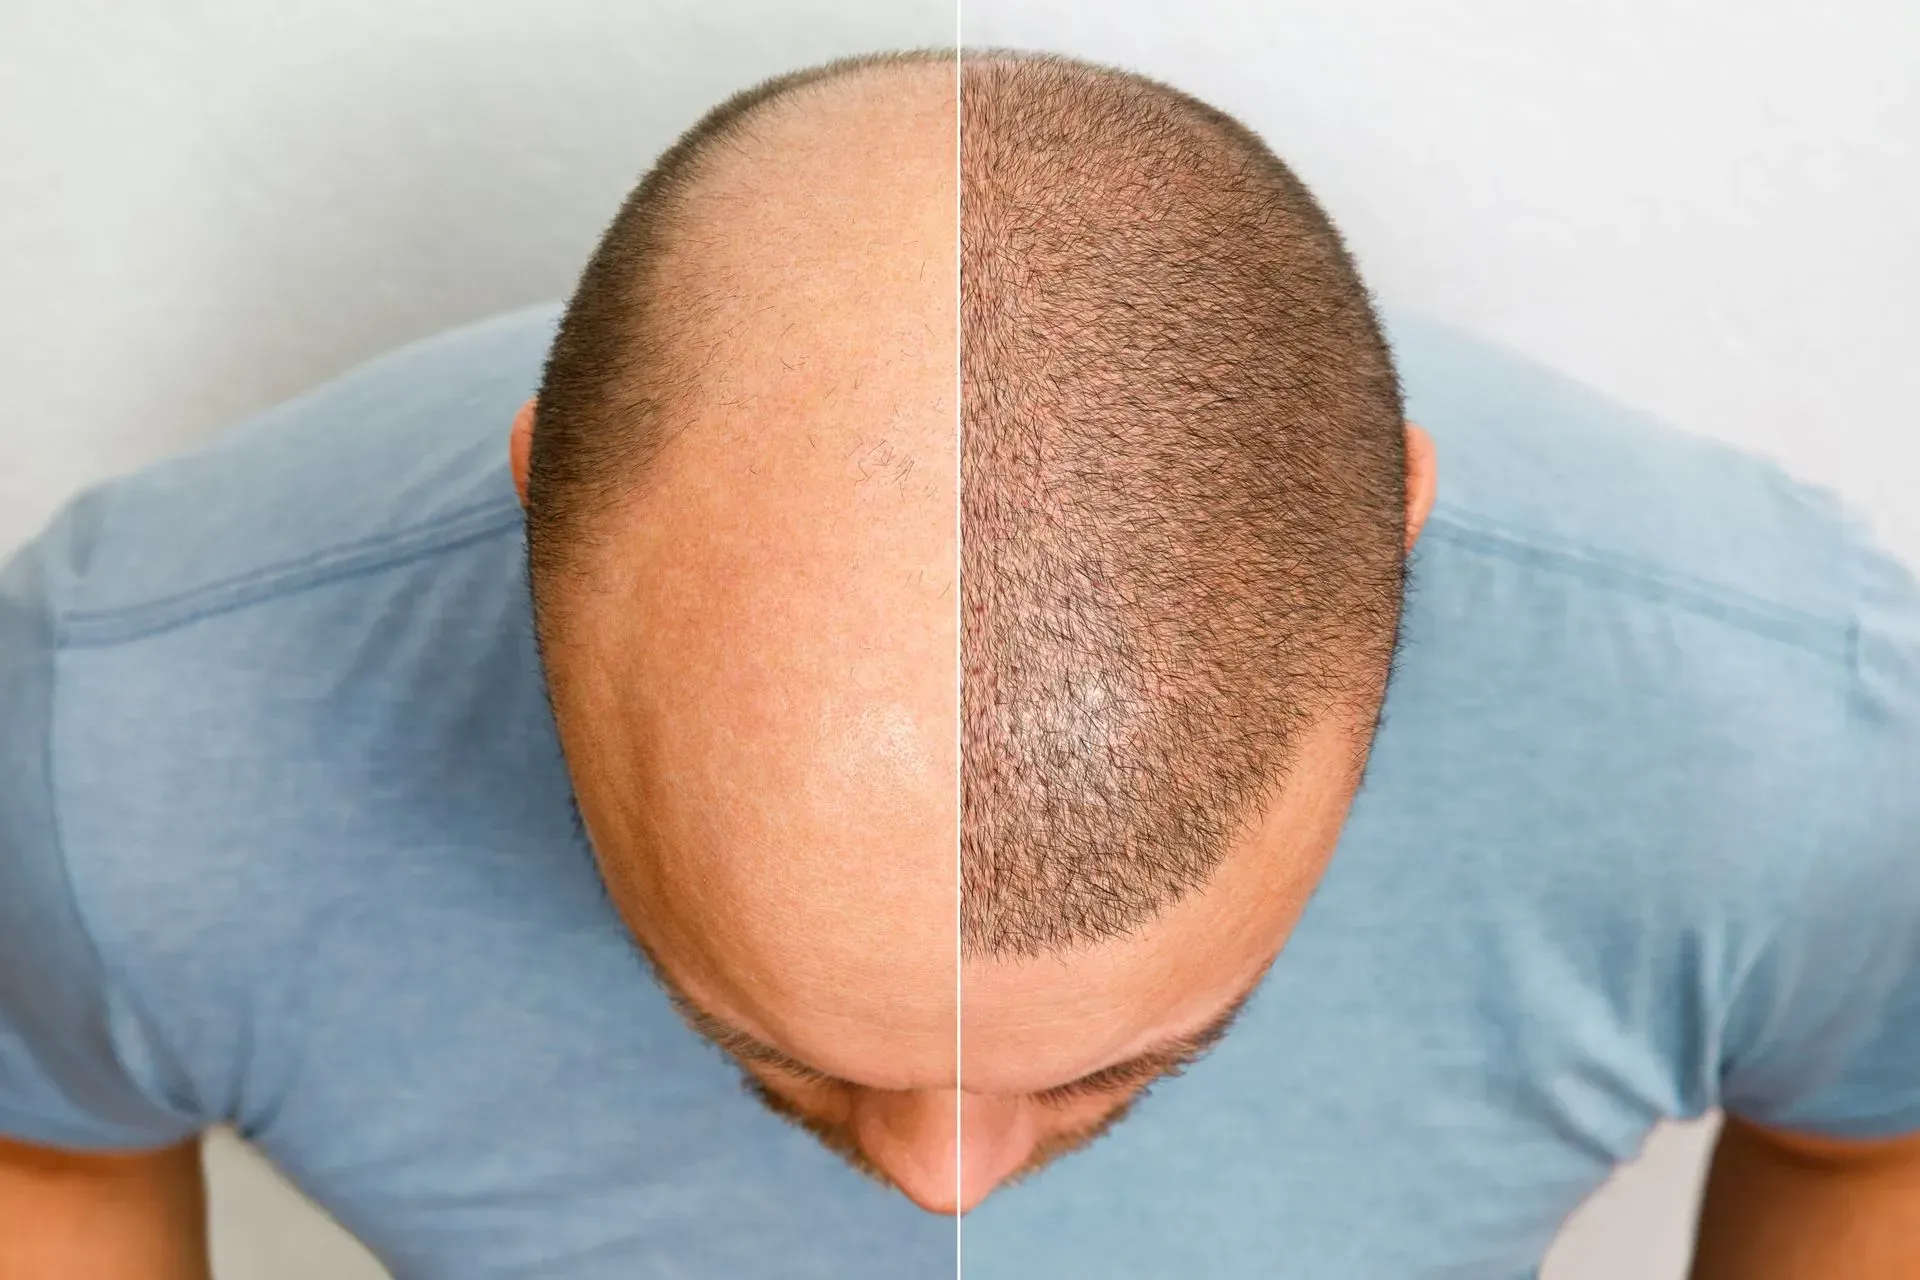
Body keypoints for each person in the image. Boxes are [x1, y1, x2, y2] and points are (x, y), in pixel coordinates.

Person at [2, 48, 1916, 1280]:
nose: (945, 1187)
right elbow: (50, 1143)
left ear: (1391, 553)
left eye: (1122, 1061)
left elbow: (1875, 1133)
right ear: (540, 514)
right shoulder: (112, 745)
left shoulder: (1804, 739)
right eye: (776, 1045)